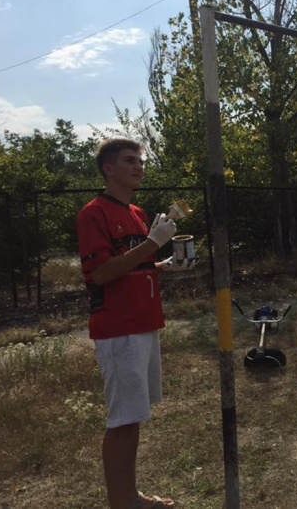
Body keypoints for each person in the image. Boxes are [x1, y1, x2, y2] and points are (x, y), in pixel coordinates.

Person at [76, 138, 198, 509]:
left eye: (140, 161)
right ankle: (124, 501)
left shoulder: (138, 212)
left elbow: (136, 264)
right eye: (129, 161)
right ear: (108, 169)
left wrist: (164, 264)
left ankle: (129, 496)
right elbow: (100, 274)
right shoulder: (93, 213)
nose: (138, 167)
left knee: (135, 415)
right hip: (118, 326)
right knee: (123, 419)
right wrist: (151, 245)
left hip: (145, 322)